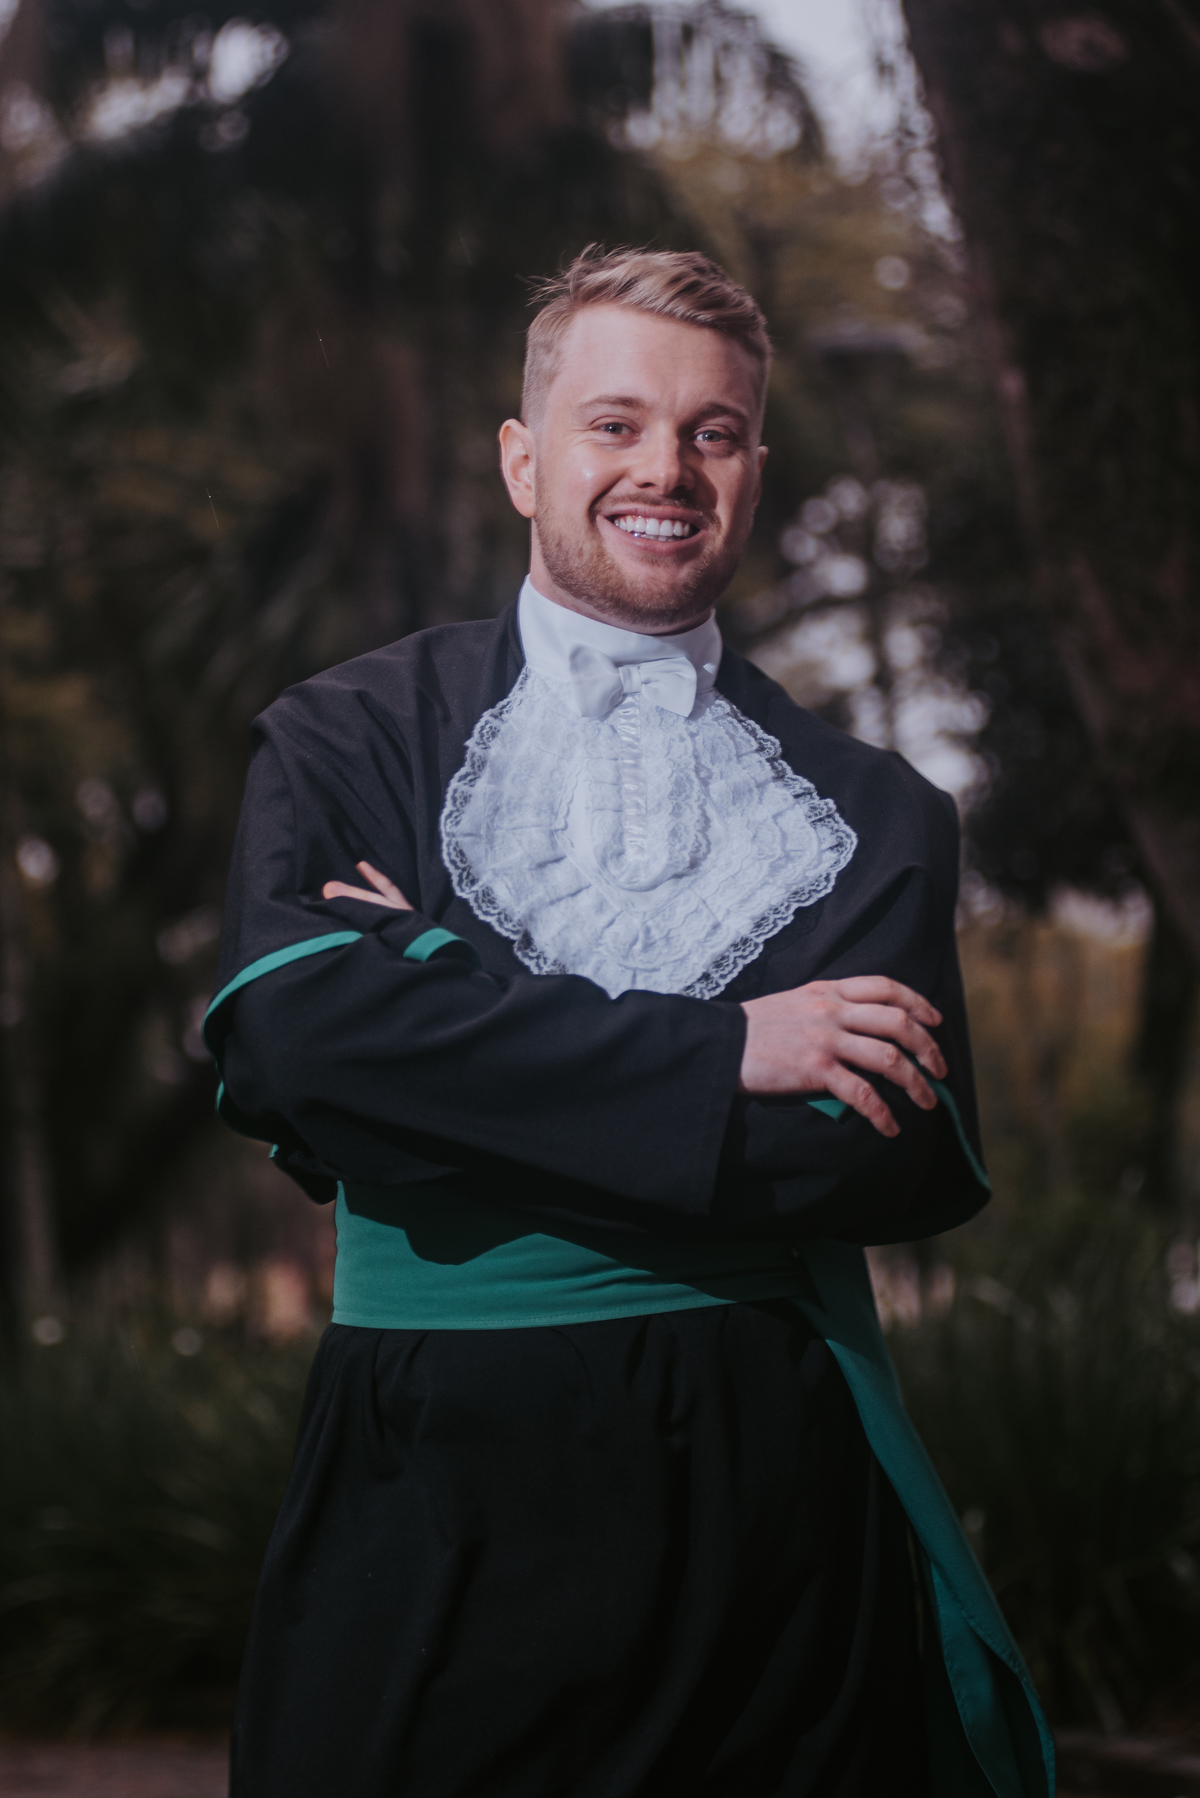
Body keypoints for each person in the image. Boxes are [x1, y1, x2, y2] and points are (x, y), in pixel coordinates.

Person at [206, 247, 1053, 1798]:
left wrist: (437, 989)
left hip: (778, 1524)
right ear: (524, 461)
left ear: (754, 472)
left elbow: (861, 1147)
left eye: (712, 433)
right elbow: (296, 1041)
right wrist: (727, 1050)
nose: (665, 468)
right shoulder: (345, 736)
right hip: (426, 1496)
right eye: (615, 424)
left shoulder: (880, 813)